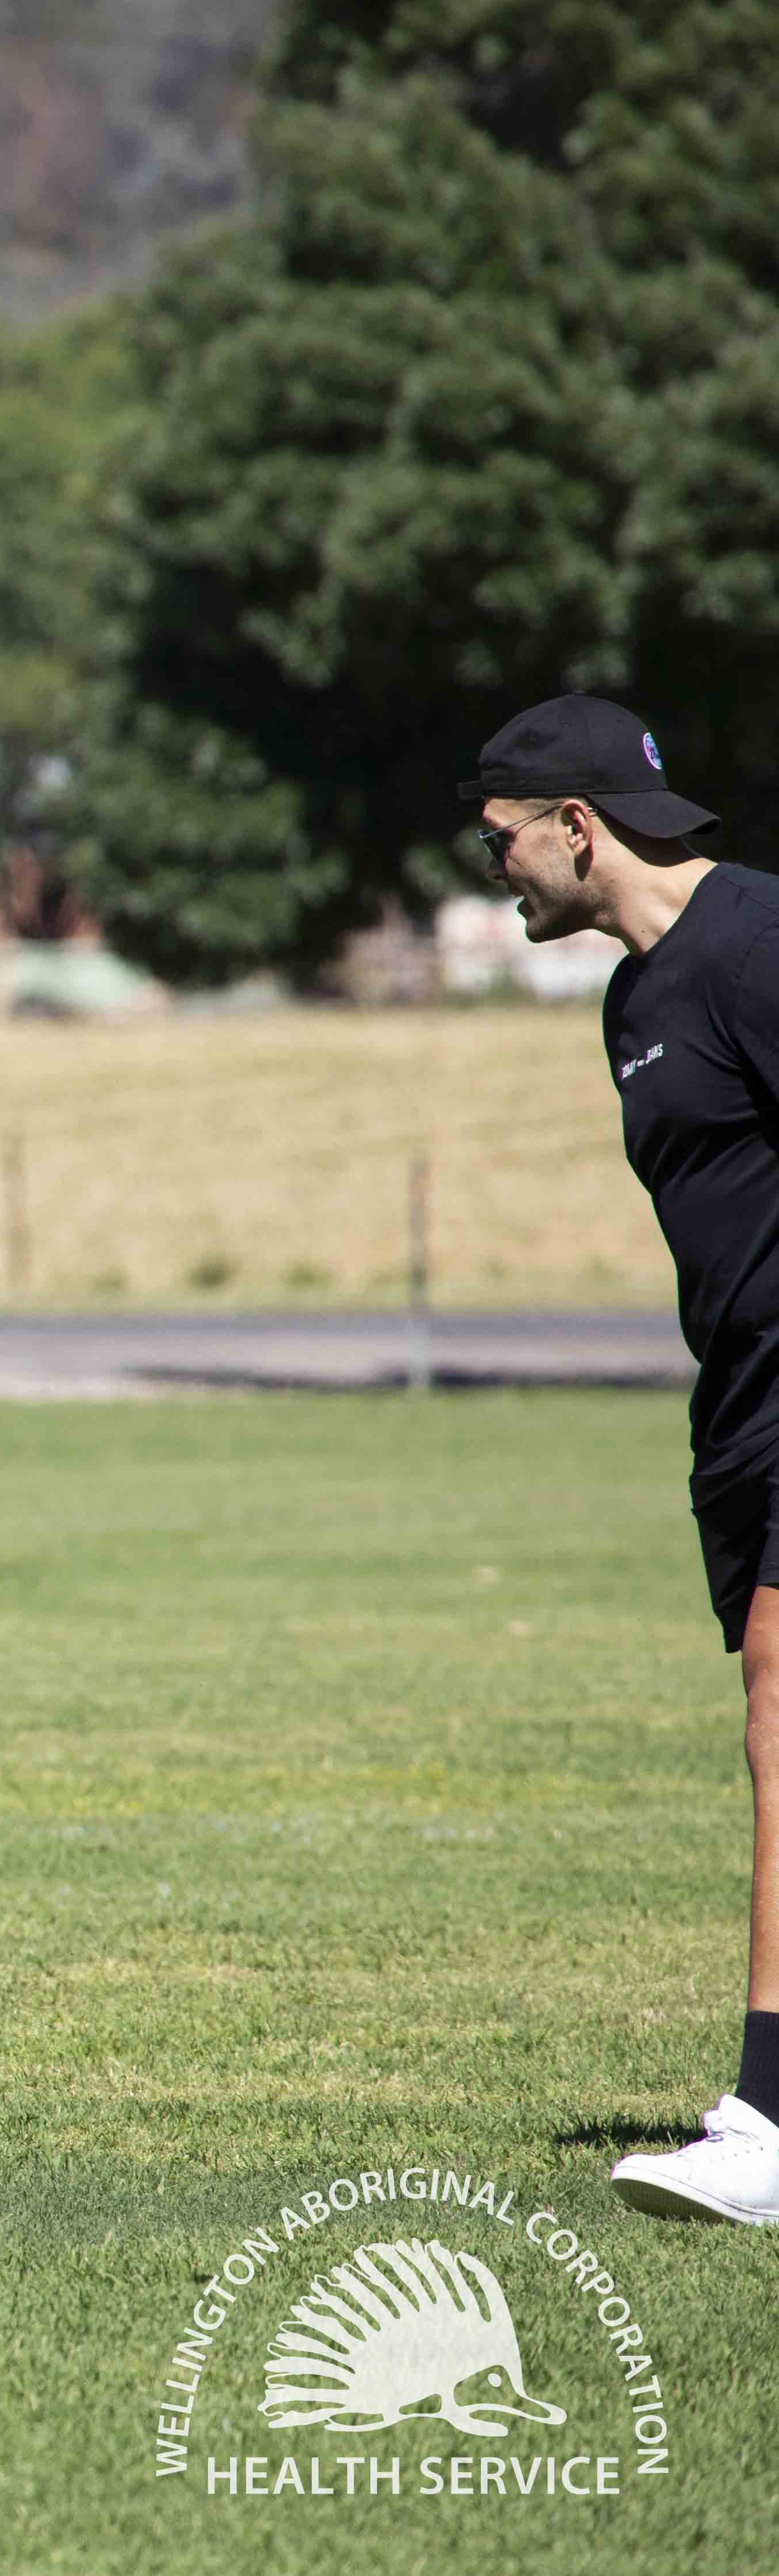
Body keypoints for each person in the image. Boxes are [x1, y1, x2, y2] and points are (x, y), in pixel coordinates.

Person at [475, 693, 779, 2226]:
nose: (501, 877)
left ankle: (769, 2120)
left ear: (578, 828)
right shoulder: (633, 998)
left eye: (506, 844)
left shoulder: (758, 947)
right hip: (735, 1414)